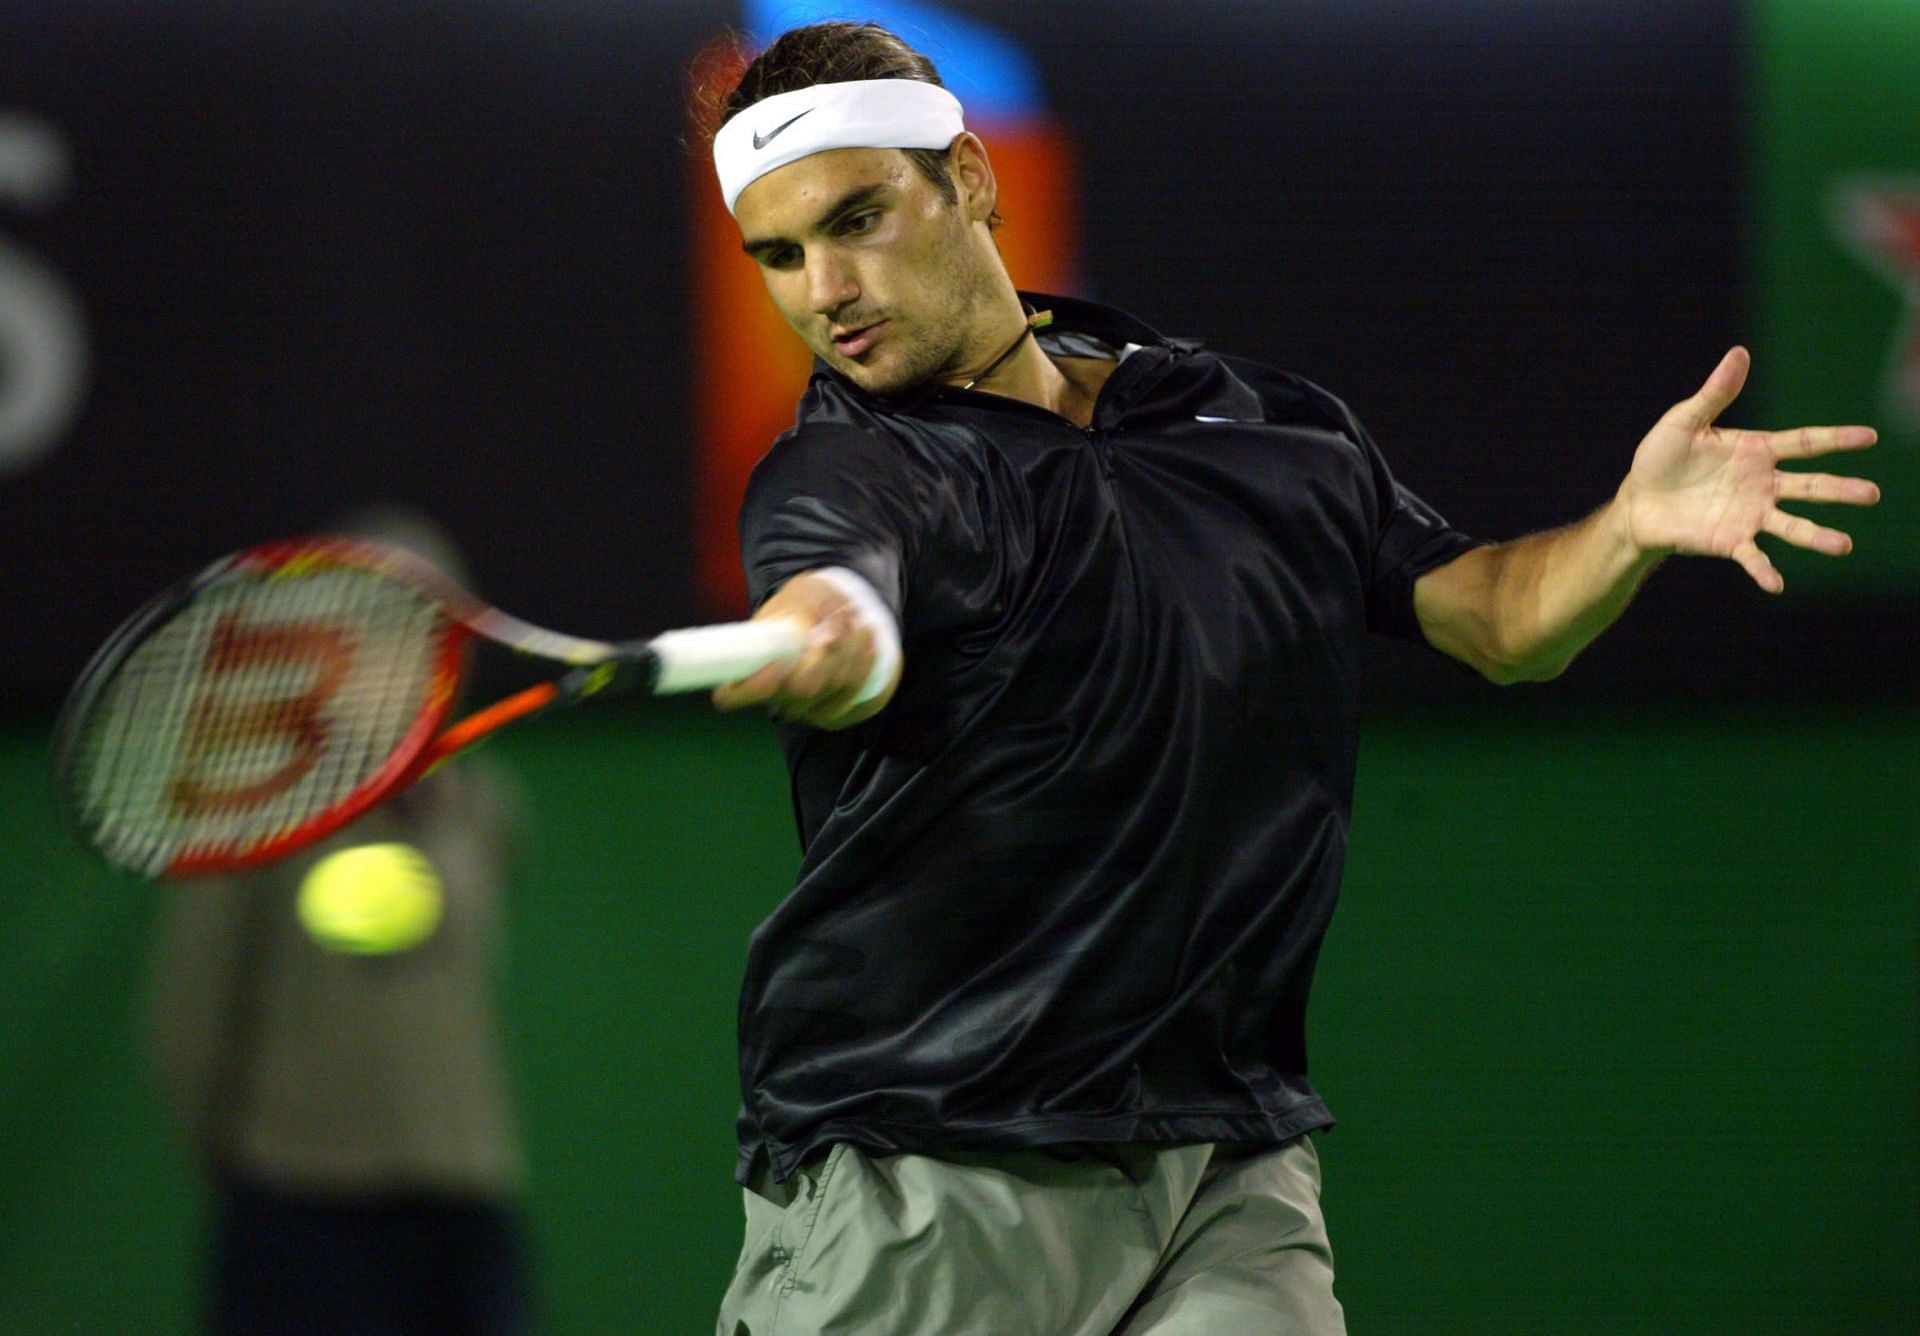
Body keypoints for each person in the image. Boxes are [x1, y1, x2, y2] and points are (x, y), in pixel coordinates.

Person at [698, 22, 1879, 1335]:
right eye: (780, 256)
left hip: (1226, 1172)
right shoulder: (843, 470)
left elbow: (1499, 621)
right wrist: (837, 635)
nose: (823, 289)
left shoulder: (1261, 429)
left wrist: (1629, 529)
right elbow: (836, 589)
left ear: (968, 180)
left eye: (856, 220)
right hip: (923, 1167)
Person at [146, 507, 534, 1336]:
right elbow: (190, 1024)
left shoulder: (488, 806)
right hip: (302, 1213)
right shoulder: (252, 808)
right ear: (321, 649)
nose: (403, 663)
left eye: (431, 636)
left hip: (466, 1200)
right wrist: (267, 1160)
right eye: (373, 633)